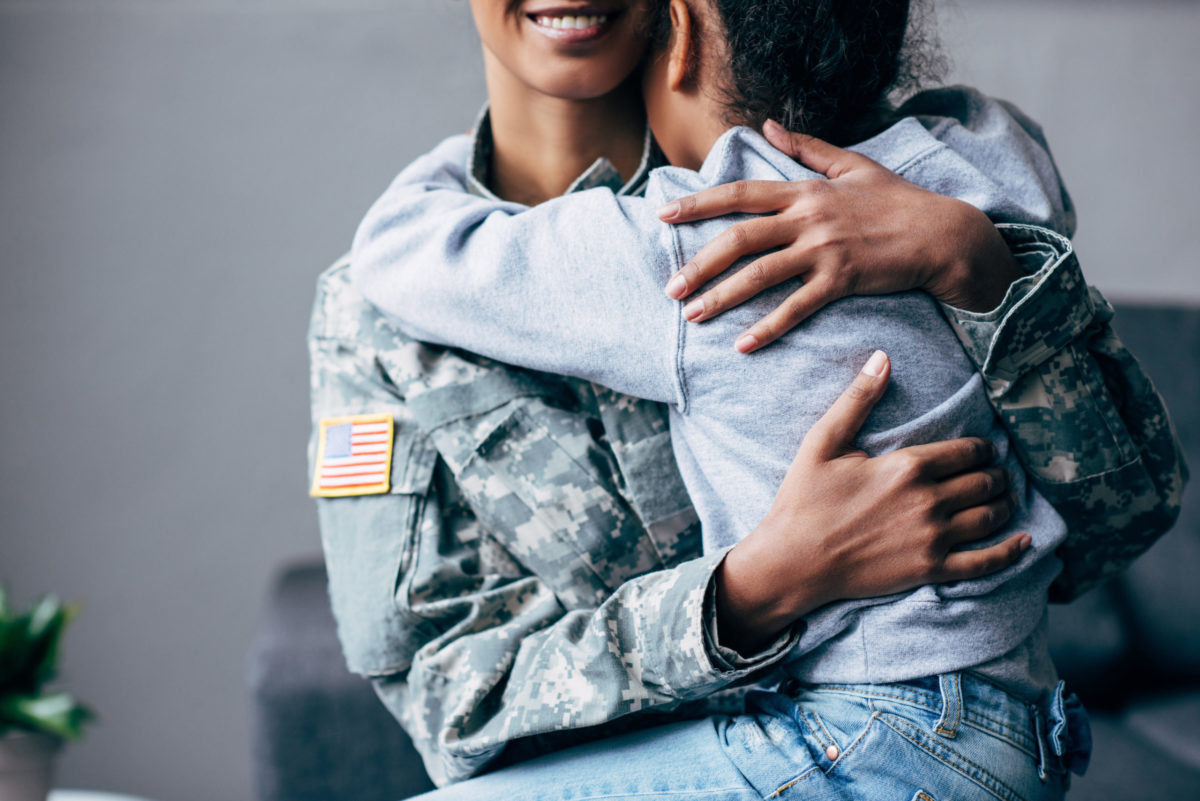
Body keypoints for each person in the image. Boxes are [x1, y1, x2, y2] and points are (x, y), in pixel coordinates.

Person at [309, 0, 1184, 795]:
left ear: (682, 19)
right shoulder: (375, 315)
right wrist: (751, 590)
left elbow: (1120, 522)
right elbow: (443, 705)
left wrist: (980, 269)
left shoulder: (904, 205)